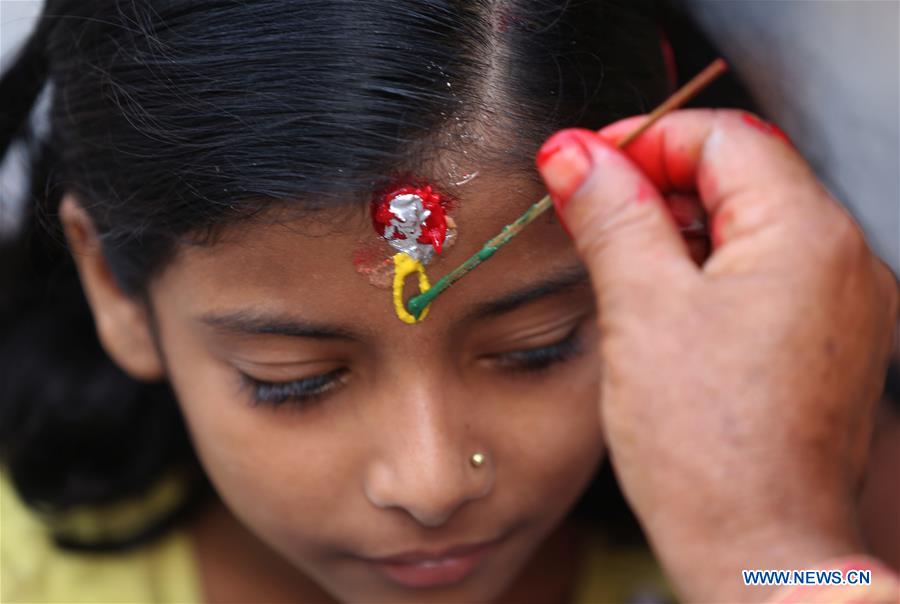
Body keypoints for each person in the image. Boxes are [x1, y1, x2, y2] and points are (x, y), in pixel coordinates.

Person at [0, 1, 896, 603]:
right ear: (116, 288)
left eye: (537, 348)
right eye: (293, 381)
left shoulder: (829, 490)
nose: (430, 485)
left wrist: (778, 560)